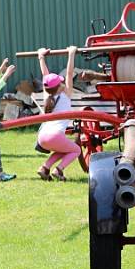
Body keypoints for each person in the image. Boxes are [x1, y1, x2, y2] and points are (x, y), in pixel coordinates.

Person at [35, 46, 81, 181]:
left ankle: (44, 168)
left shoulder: (47, 96)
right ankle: (59, 170)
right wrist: (71, 54)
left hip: (42, 137)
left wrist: (41, 56)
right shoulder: (66, 94)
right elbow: (69, 73)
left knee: (62, 149)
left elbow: (45, 75)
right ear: (60, 85)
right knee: (76, 150)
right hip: (55, 136)